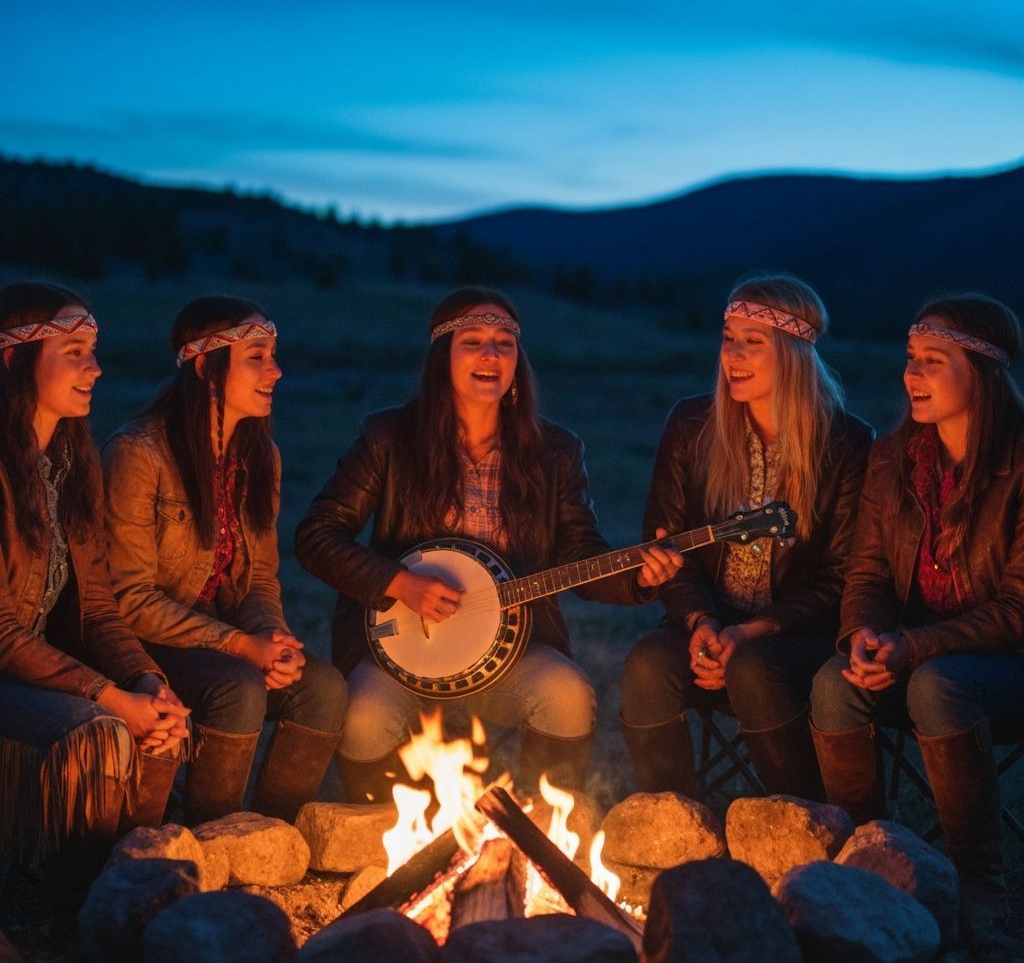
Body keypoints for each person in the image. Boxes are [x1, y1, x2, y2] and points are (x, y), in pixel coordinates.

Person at [294, 287, 682, 800]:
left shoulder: (554, 452)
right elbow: (316, 536)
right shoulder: (389, 438)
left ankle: (539, 837)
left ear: (518, 363)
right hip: (399, 652)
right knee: (364, 716)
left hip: (513, 651)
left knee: (566, 695)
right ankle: (383, 845)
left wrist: (636, 576)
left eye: (504, 343)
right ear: (442, 359)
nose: (491, 354)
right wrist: (399, 583)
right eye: (472, 341)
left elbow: (580, 555)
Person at [810, 293, 1024, 957]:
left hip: (1005, 663)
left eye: (934, 360)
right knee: (832, 683)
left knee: (937, 685)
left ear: (983, 372)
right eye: (910, 359)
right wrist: (865, 638)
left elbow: (1017, 607)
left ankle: (978, 891)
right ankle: (872, 868)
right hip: (914, 652)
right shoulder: (893, 458)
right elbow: (868, 572)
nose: (912, 375)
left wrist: (913, 646)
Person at [620, 274, 873, 799]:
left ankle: (806, 823)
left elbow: (841, 579)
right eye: (727, 336)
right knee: (648, 662)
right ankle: (670, 828)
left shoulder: (846, 443)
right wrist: (704, 623)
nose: (732, 354)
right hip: (703, 623)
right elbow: (667, 545)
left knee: (754, 669)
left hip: (795, 636)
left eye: (752, 342)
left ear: (795, 353)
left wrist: (749, 633)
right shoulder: (693, 425)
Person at [103, 296, 347, 824]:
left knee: (322, 690)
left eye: (274, 355)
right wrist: (241, 646)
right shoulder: (139, 452)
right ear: (205, 367)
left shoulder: (260, 456)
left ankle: (272, 839)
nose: (275, 370)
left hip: (224, 636)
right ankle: (212, 839)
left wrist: (273, 640)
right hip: (146, 641)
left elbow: (260, 575)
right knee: (236, 689)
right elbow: (129, 598)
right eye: (256, 356)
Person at [0, 281, 189, 921]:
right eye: (75, 350)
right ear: (13, 359)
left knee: (161, 723)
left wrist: (147, 681)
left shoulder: (71, 466)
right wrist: (110, 697)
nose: (96, 367)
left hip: (30, 666)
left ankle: (130, 901)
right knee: (102, 732)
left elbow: (100, 608)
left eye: (96, 351)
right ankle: (66, 908)